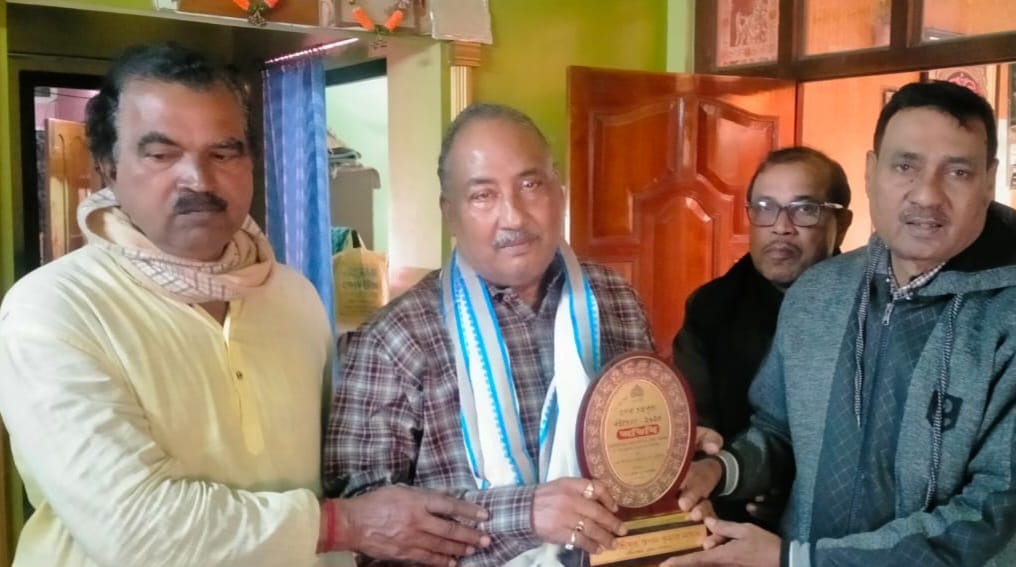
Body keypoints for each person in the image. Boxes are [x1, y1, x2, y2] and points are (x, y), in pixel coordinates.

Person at [0, 42, 487, 567]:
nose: (198, 179)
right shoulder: (53, 310)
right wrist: (344, 524)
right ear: (108, 168)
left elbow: (339, 468)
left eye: (224, 153)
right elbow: (134, 530)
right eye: (161, 154)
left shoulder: (293, 295)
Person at [665, 80, 1016, 567]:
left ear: (989, 181)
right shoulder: (818, 293)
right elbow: (777, 431)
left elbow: (996, 524)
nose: (927, 194)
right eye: (905, 165)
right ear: (870, 171)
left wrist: (799, 560)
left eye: (958, 171)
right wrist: (720, 470)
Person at [325, 102, 722, 567]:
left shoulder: (615, 300)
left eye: (530, 185)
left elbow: (632, 443)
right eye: (482, 195)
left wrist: (670, 453)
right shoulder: (394, 339)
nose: (513, 217)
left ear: (560, 192)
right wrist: (524, 514)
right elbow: (367, 521)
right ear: (449, 212)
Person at [673, 147, 852, 527]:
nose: (781, 227)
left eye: (804, 209)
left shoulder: (869, 308)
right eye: (765, 207)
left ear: (842, 222)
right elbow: (694, 426)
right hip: (724, 512)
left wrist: (795, 500)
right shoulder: (711, 308)